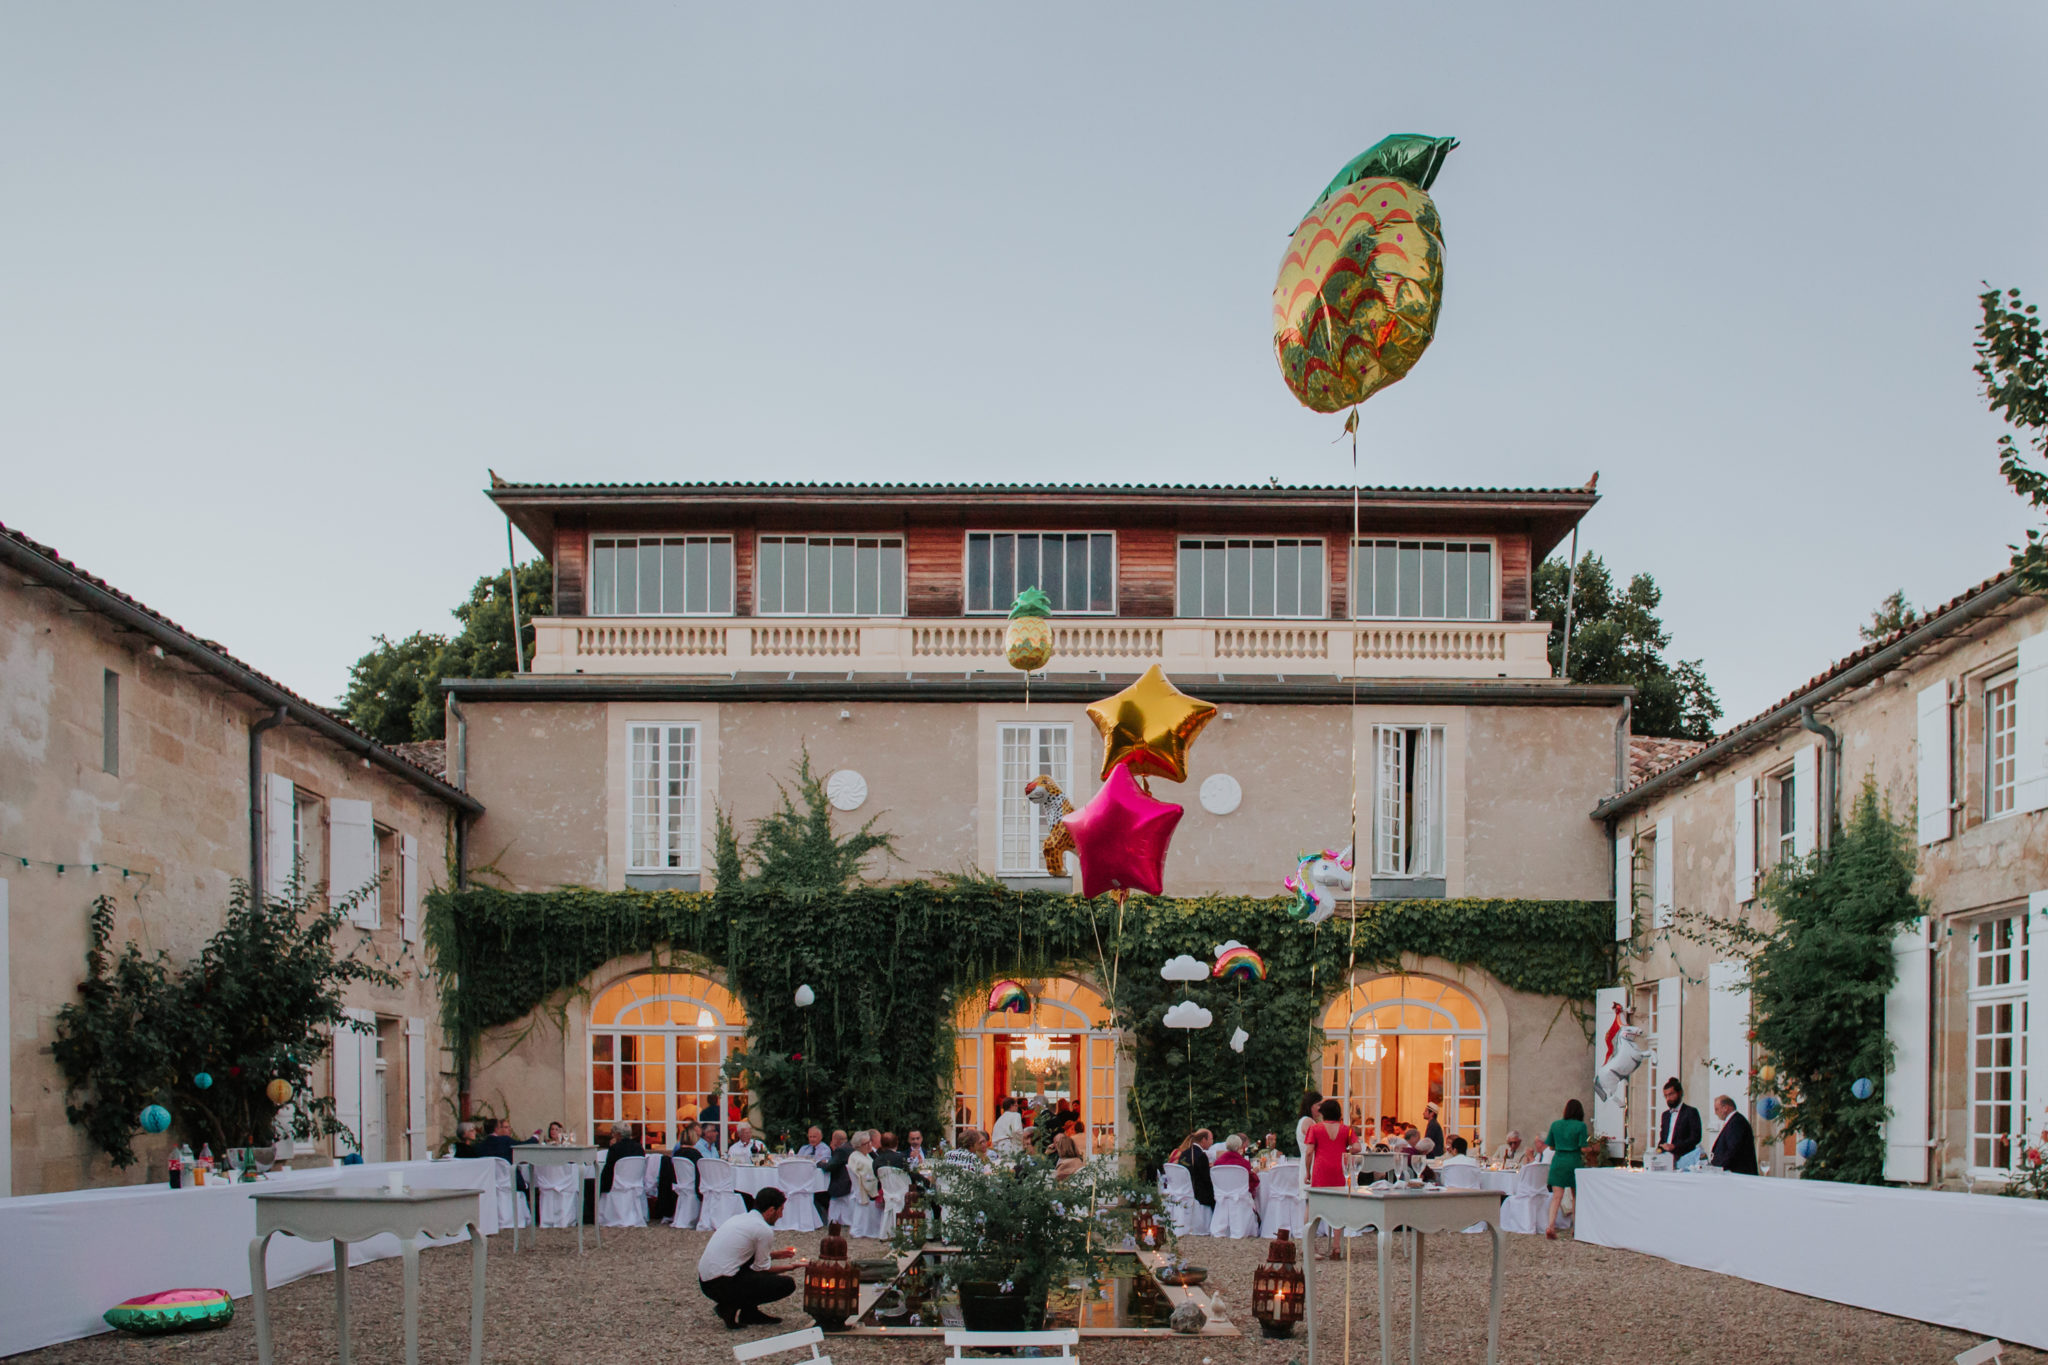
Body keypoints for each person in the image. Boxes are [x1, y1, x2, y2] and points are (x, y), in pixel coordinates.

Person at [697, 1186, 806, 1329]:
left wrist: (776, 1255)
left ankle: (749, 1312)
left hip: (705, 1281)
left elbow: (742, 1255)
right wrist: (792, 1267)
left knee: (750, 1272)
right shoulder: (763, 1229)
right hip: (722, 1284)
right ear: (772, 1210)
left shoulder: (740, 1218)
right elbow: (762, 1269)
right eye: (781, 1210)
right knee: (786, 1284)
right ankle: (729, 1306)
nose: (781, 1216)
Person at [1301, 1098, 1355, 1260]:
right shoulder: (1346, 1130)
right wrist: (1346, 1150)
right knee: (1339, 1206)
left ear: (1323, 1113)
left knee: (1313, 1206)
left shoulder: (1315, 1129)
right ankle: (1337, 1247)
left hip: (1321, 1169)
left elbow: (1309, 1152)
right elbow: (1357, 1147)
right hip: (1339, 1168)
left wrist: (1307, 1172)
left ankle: (1309, 1244)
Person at [1541, 1098, 1590, 1239]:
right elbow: (1584, 1147)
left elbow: (1551, 1146)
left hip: (1559, 1161)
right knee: (1575, 1196)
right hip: (1574, 1161)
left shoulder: (1555, 1125)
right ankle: (1575, 1227)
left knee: (1557, 1196)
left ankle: (1550, 1225)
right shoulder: (1580, 1126)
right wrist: (1593, 1148)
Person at [1656, 1078, 1703, 1170]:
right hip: (1666, 1158)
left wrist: (1675, 1146)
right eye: (1665, 1096)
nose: (1668, 1099)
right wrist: (1658, 1150)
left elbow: (1695, 1137)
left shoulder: (1691, 1112)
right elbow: (1663, 1138)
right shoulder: (1665, 1115)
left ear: (1680, 1093)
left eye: (1671, 1094)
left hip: (1685, 1157)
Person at [1709, 1095, 1759, 1175]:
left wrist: (1719, 1168)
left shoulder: (1736, 1122)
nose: (1715, 1113)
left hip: (1738, 1173)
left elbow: (1733, 1149)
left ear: (1725, 1108)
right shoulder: (1734, 1121)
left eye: (1717, 1109)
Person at [1176, 1128, 1215, 1220]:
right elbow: (1206, 1179)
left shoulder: (1184, 1153)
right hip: (1198, 1193)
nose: (1212, 1143)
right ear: (1203, 1140)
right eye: (1211, 1139)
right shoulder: (1201, 1155)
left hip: (1184, 1189)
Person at [848, 1132, 881, 1222]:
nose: (869, 1145)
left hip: (868, 1183)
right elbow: (868, 1176)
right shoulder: (858, 1158)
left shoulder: (865, 1155)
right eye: (866, 1143)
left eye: (869, 1141)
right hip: (867, 1188)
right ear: (859, 1146)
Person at [1295, 1089, 1323, 1158]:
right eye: (1319, 1105)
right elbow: (1315, 1145)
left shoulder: (1304, 1120)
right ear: (1311, 1106)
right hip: (1310, 1162)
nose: (1321, 1108)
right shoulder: (1308, 1121)